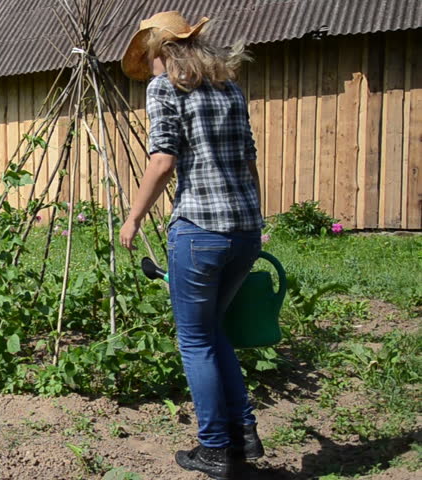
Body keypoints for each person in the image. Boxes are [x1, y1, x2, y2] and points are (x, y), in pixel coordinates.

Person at [118, 11, 265, 480]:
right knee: (213, 330)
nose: (151, 67)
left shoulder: (165, 89)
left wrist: (134, 216)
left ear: (160, 51)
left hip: (199, 231)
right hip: (243, 232)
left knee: (195, 339)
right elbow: (247, 161)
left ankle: (215, 448)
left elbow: (163, 160)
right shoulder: (230, 89)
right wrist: (254, 217)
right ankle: (244, 432)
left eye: (150, 57)